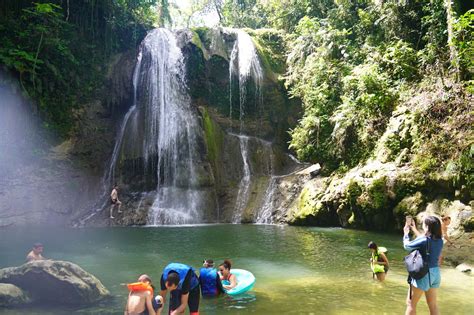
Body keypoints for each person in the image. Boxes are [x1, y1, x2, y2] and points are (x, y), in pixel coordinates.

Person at [403, 215, 443, 315]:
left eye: (424, 224)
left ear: (427, 227)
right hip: (435, 273)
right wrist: (414, 229)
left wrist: (406, 234)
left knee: (411, 303)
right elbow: (424, 239)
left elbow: (407, 246)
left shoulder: (424, 240)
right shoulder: (440, 240)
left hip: (424, 274)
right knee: (433, 305)